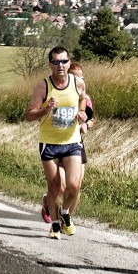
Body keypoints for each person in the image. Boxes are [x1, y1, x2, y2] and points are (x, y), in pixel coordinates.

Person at [26, 47, 86, 240]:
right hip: (49, 143)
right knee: (54, 187)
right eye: (56, 62)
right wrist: (45, 109)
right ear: (50, 64)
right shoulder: (43, 86)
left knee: (74, 186)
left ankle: (66, 213)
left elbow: (83, 100)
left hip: (72, 142)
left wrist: (82, 113)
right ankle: (54, 224)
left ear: (69, 62)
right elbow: (28, 115)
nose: (60, 66)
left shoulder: (78, 83)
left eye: (64, 61)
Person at [40, 61, 94, 224]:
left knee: (76, 185)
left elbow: (92, 119)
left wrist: (85, 124)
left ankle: (66, 218)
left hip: (75, 144)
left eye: (82, 78)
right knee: (61, 186)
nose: (80, 81)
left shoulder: (86, 98)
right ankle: (48, 202)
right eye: (76, 78)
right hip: (55, 143)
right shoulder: (57, 93)